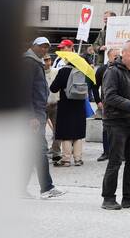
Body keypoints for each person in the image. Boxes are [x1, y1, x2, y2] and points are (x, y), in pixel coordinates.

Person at [101, 40, 130, 210]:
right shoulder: (113, 71)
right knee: (115, 160)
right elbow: (109, 97)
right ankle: (108, 198)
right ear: (124, 53)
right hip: (116, 122)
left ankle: (129, 197)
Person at [24, 38, 64, 199]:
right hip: (33, 115)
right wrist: (31, 116)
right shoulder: (30, 62)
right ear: (33, 46)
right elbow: (24, 91)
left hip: (37, 112)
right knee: (40, 150)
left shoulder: (34, 61)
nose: (44, 49)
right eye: (41, 46)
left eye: (47, 47)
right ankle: (47, 188)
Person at [49, 61, 88, 167]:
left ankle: (66, 159)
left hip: (65, 105)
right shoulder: (82, 71)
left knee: (66, 132)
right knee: (77, 132)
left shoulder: (63, 71)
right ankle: (78, 159)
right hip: (79, 105)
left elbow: (53, 88)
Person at [91, 47, 120, 161]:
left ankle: (117, 152)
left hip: (120, 103)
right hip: (106, 103)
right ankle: (106, 152)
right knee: (106, 128)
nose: (118, 58)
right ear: (109, 57)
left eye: (119, 56)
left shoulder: (122, 68)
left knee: (120, 128)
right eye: (115, 56)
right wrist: (98, 101)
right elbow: (94, 86)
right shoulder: (102, 70)